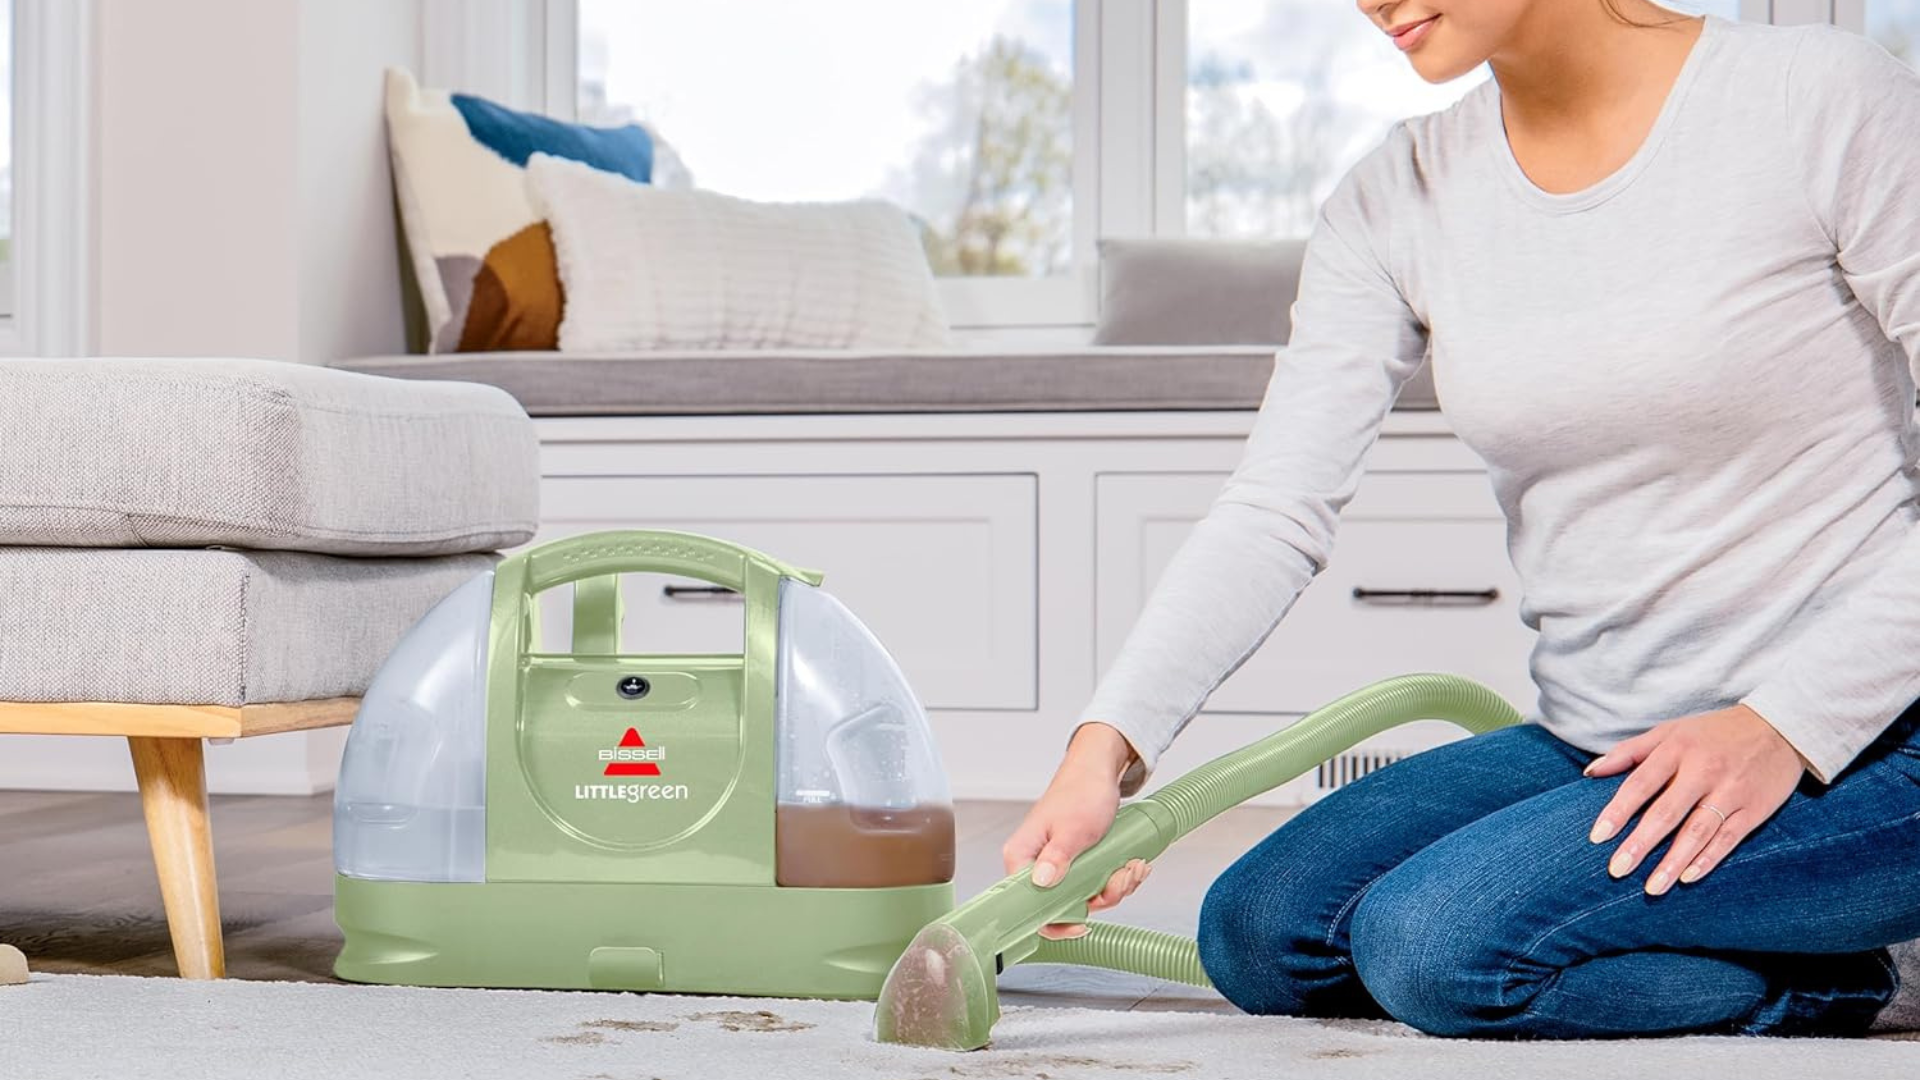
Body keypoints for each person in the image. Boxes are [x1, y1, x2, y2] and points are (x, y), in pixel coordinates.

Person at [1003, 0, 1920, 1039]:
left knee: (1437, 950)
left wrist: (1783, 722)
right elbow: (1275, 506)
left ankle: (1851, 976)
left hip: (1873, 740)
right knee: (1258, 933)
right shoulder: (1398, 193)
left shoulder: (1820, 99)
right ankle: (1777, 925)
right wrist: (1100, 756)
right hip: (1607, 739)